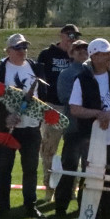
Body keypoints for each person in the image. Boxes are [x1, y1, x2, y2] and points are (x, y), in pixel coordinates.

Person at [68, 38, 110, 219]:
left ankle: (106, 213)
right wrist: (98, 114)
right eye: (105, 53)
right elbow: (74, 109)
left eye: (109, 53)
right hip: (90, 137)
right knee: (90, 176)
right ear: (94, 56)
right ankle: (88, 214)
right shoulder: (82, 79)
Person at [0, 33, 44, 219]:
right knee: (4, 169)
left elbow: (43, 96)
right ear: (8, 50)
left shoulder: (36, 68)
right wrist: (5, 116)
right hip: (7, 128)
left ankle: (30, 205)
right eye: (18, 48)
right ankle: (3, 210)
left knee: (30, 168)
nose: (22, 51)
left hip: (32, 127)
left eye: (25, 47)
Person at [37, 24, 83, 197]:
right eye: (69, 35)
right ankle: (49, 189)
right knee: (49, 150)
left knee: (73, 151)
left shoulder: (78, 56)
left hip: (73, 109)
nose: (72, 38)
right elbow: (38, 80)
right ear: (61, 35)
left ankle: (71, 189)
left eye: (75, 35)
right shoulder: (47, 54)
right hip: (52, 107)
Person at [53, 39, 90, 215]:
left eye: (85, 49)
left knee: (89, 168)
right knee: (69, 166)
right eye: (78, 49)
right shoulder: (66, 74)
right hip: (74, 127)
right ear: (71, 53)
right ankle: (61, 204)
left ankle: (85, 203)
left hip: (91, 128)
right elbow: (64, 97)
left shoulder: (92, 71)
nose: (83, 51)